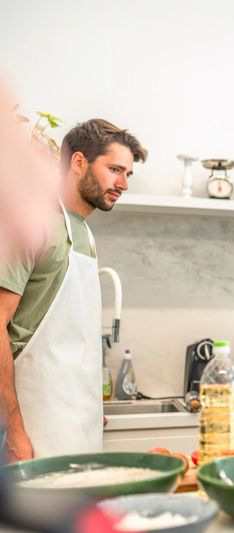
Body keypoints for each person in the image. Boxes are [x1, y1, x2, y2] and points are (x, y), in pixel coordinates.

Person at [0, 119, 147, 461]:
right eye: (114, 169)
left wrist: (87, 406)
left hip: (75, 424)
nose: (123, 184)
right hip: (32, 427)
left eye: (127, 174)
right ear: (78, 162)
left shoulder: (84, 233)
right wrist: (15, 430)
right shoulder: (31, 224)